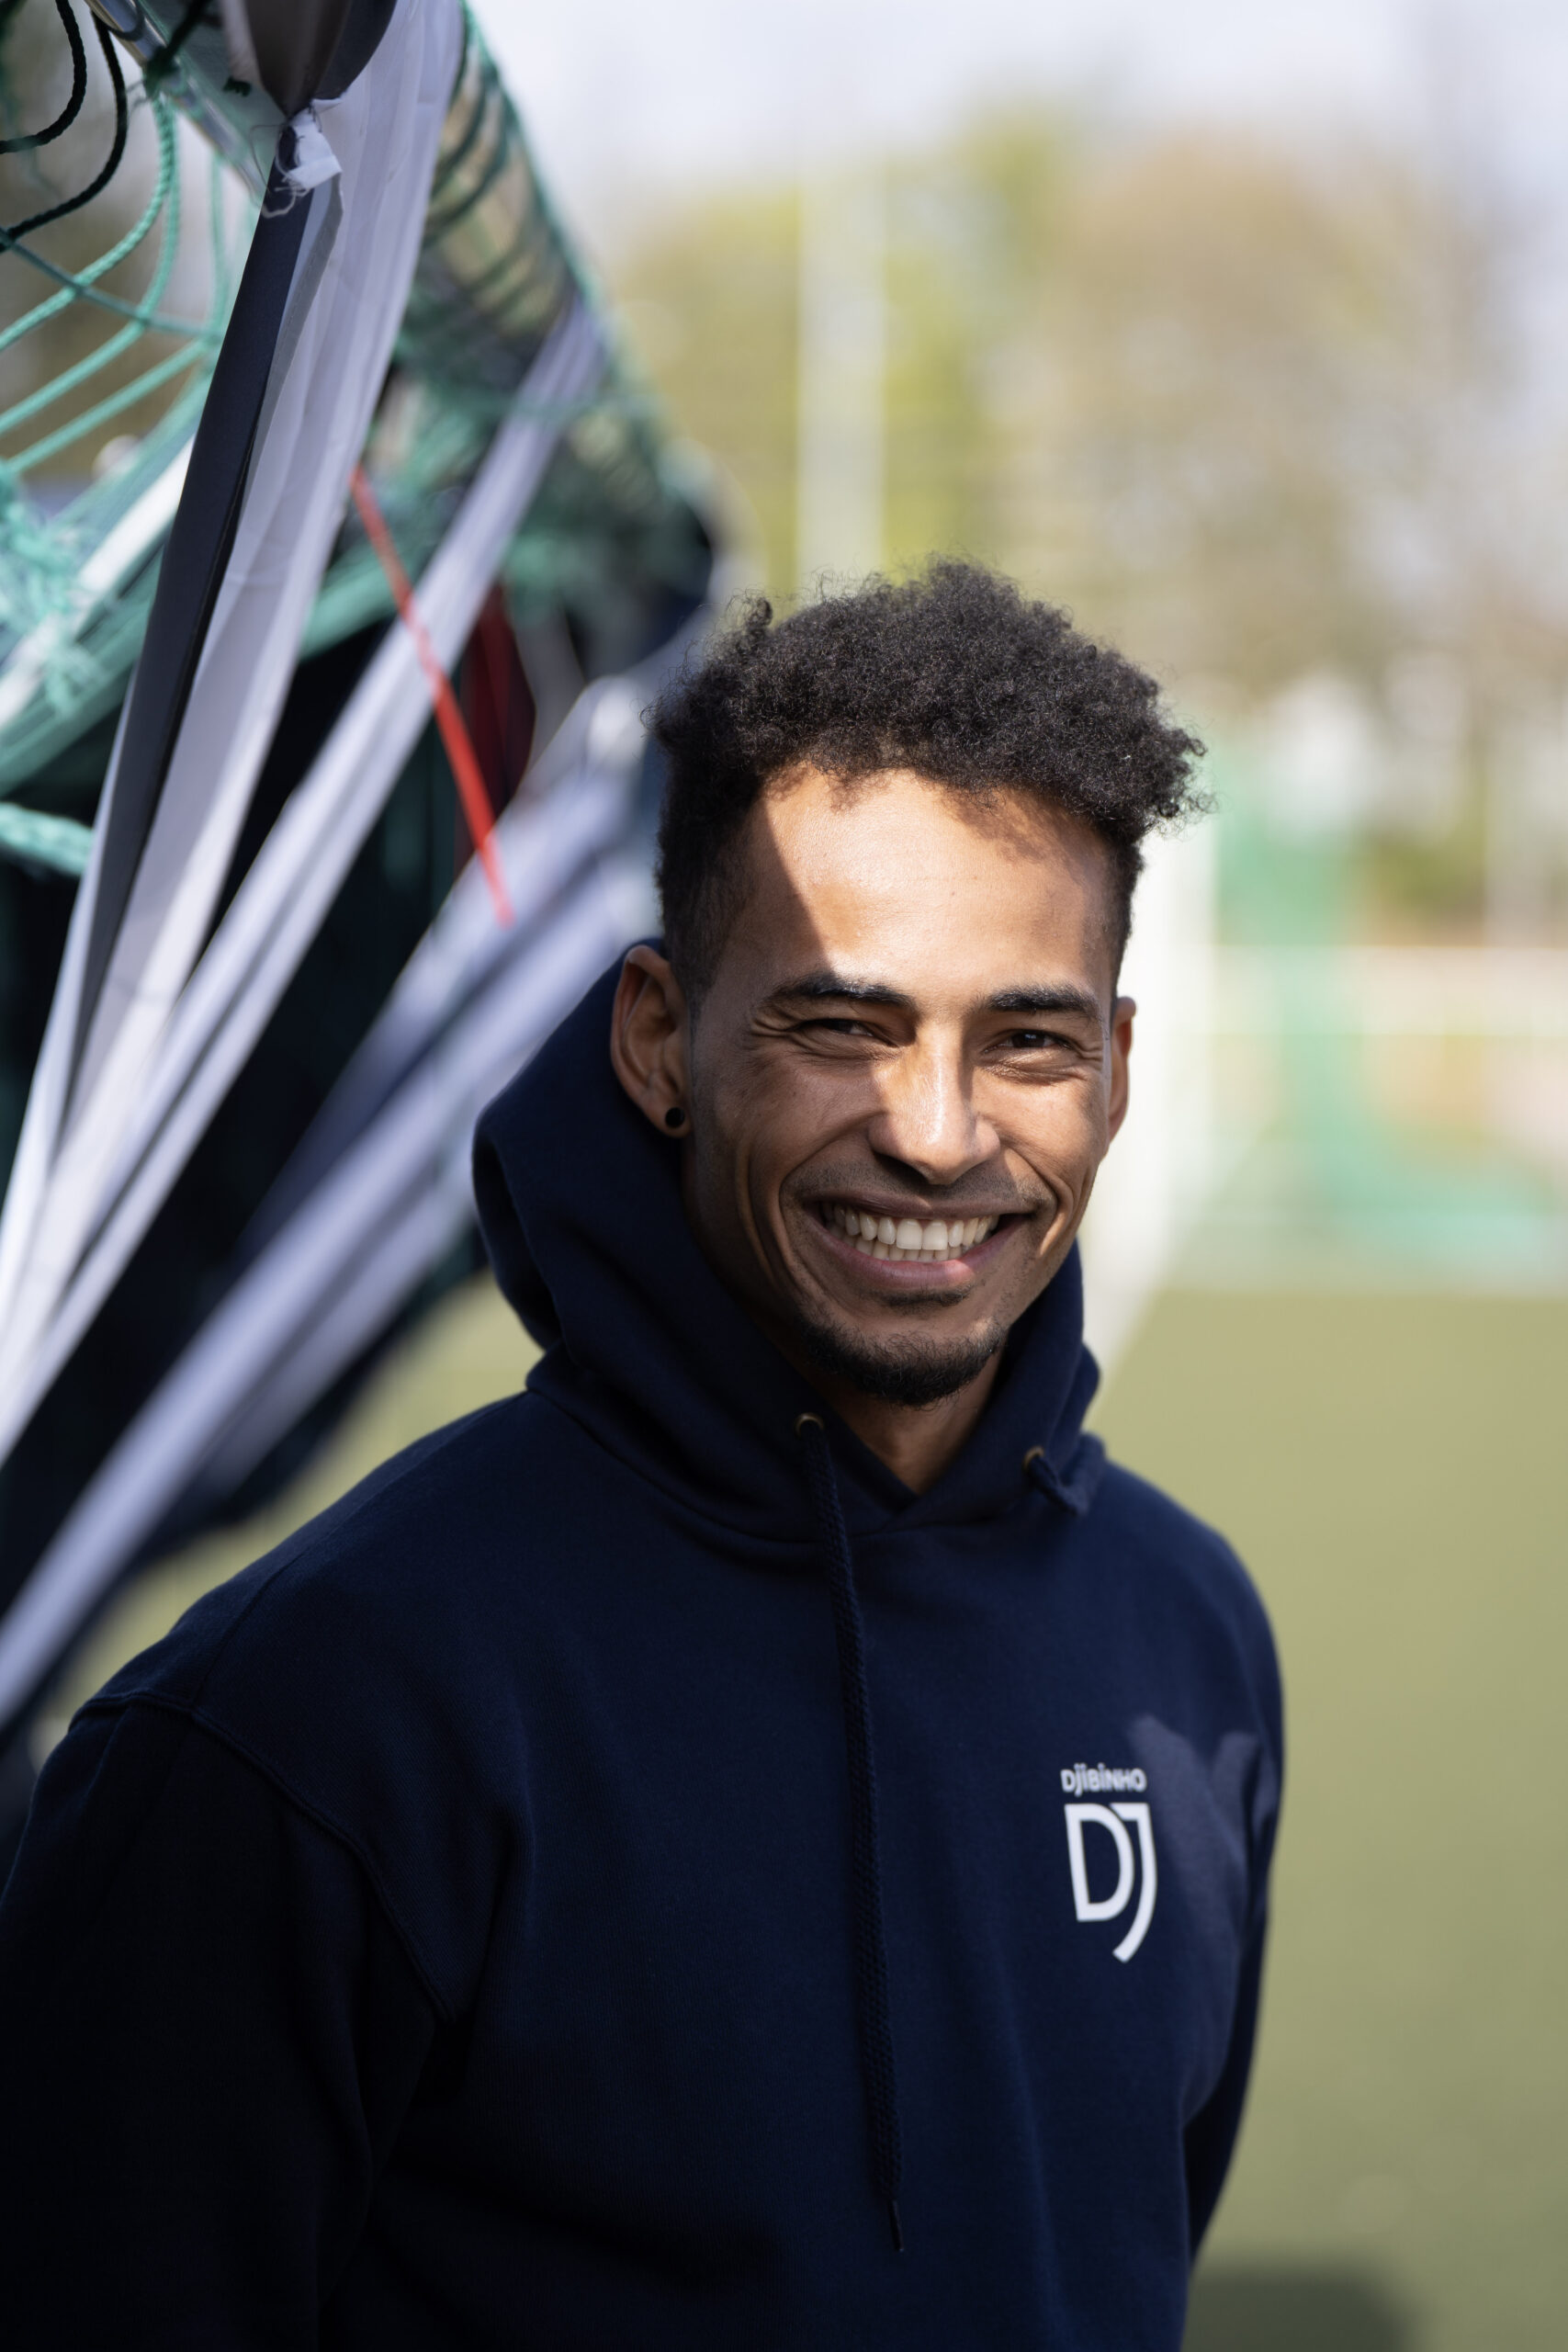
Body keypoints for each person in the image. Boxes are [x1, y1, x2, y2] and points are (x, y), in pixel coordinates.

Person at [0, 564, 1280, 2348]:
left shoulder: (1188, 1630)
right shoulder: (309, 1714)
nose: (936, 1133)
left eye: (1027, 1040)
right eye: (842, 1025)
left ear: (1117, 1070)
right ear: (660, 1039)